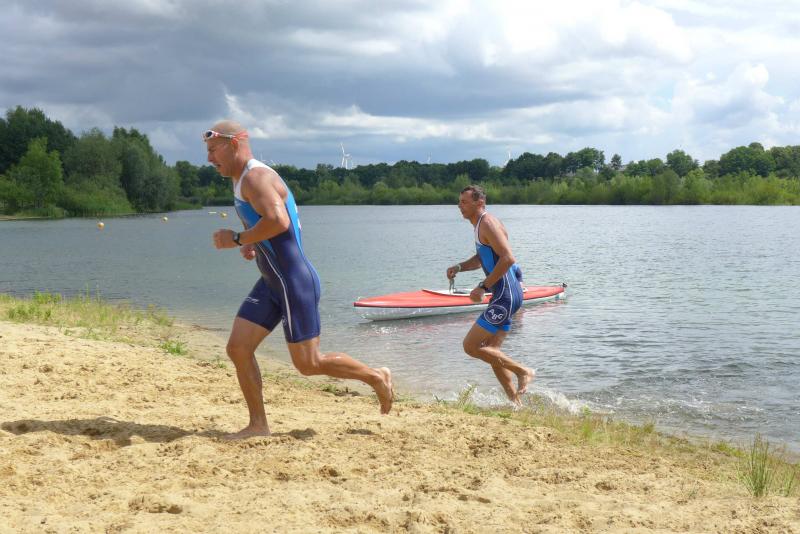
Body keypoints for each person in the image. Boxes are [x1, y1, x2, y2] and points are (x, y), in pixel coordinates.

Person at [206, 120, 393, 440]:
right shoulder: (240, 179)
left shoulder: (256, 177)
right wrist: (252, 242)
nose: (209, 158)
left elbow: (278, 221)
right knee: (238, 348)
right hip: (271, 282)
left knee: (308, 364)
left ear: (233, 144)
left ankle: (376, 376)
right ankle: (258, 425)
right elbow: (267, 223)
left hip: (294, 282)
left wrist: (236, 238)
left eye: (213, 150)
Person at [446, 185, 534, 405]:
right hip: (505, 295)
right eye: (459, 202)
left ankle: (523, 371)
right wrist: (459, 267)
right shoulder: (480, 225)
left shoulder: (487, 223)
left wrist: (483, 287)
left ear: (480, 203)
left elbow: (508, 258)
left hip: (505, 295)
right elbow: (481, 258)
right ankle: (515, 403)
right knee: (492, 351)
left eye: (464, 202)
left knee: (471, 346)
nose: (460, 206)